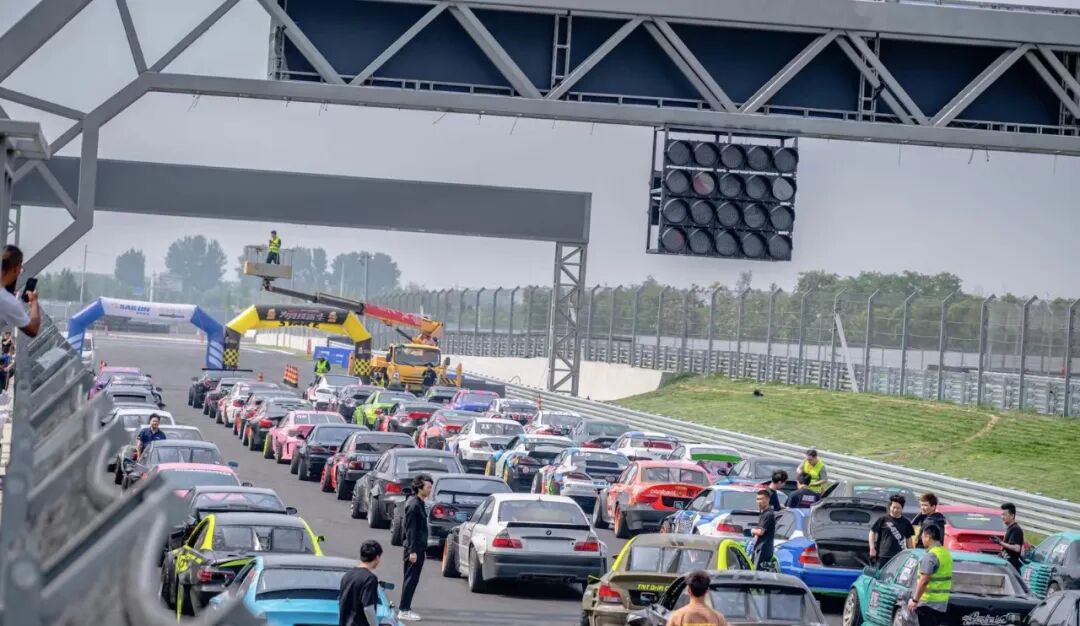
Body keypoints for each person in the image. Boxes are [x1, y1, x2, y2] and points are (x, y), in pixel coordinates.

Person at [400, 474, 433, 622]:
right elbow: (411, 530)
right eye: (428, 487)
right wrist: (412, 551)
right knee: (410, 579)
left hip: (418, 548)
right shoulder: (414, 505)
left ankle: (406, 607)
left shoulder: (419, 503)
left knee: (413, 579)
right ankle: (404, 610)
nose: (430, 490)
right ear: (419, 488)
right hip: (413, 549)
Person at [907, 525, 952, 626]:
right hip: (941, 604)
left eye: (922, 536)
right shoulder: (946, 554)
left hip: (927, 604)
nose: (921, 540)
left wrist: (915, 600)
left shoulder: (931, 556)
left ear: (928, 537)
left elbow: (924, 580)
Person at [339, 539, 383, 626]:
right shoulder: (370, 579)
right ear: (377, 558)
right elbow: (368, 608)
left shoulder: (347, 575)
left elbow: (341, 602)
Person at [0, 245, 40, 337]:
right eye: (20, 269)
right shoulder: (7, 301)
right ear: (16, 268)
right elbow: (33, 329)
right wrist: (34, 302)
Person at [870, 495, 915, 566]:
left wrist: (911, 554)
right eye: (894, 507)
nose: (895, 510)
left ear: (902, 509)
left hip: (898, 556)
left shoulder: (906, 523)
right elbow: (872, 532)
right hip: (882, 556)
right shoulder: (883, 519)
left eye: (898, 508)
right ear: (890, 507)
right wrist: (872, 548)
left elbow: (909, 539)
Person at [750, 489, 776, 571]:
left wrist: (752, 531)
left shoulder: (768, 514)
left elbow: (760, 532)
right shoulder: (764, 513)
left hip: (764, 548)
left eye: (761, 499)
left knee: (758, 572)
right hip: (760, 547)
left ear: (768, 500)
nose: (758, 501)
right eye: (757, 499)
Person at [997, 502, 1025, 572]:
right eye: (1002, 514)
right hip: (1007, 567)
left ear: (1012, 516)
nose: (1002, 517)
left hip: (1012, 569)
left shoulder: (1016, 529)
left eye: (1004, 514)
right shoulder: (1010, 528)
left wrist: (1000, 542)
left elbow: (1017, 548)